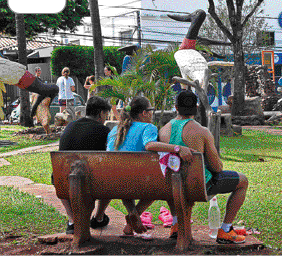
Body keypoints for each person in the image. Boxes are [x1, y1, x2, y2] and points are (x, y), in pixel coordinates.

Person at [159, 90, 248, 244]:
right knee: (243, 181)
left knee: (173, 177)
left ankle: (176, 223)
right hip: (198, 188)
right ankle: (225, 229)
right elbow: (217, 168)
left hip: (168, 187)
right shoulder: (202, 131)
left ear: (176, 107)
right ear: (196, 107)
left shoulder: (163, 130)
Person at [106, 96, 194, 236]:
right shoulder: (148, 127)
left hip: (114, 184)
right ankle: (136, 217)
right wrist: (178, 148)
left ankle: (132, 216)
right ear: (144, 113)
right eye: (151, 110)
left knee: (125, 177)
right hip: (139, 183)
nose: (152, 113)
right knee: (163, 183)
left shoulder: (115, 130)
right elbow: (149, 145)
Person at [57, 96, 113, 234]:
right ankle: (99, 217)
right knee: (112, 176)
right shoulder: (104, 131)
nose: (105, 118)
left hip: (64, 180)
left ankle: (72, 220)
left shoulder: (70, 126)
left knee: (59, 177)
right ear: (101, 113)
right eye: (106, 114)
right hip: (94, 182)